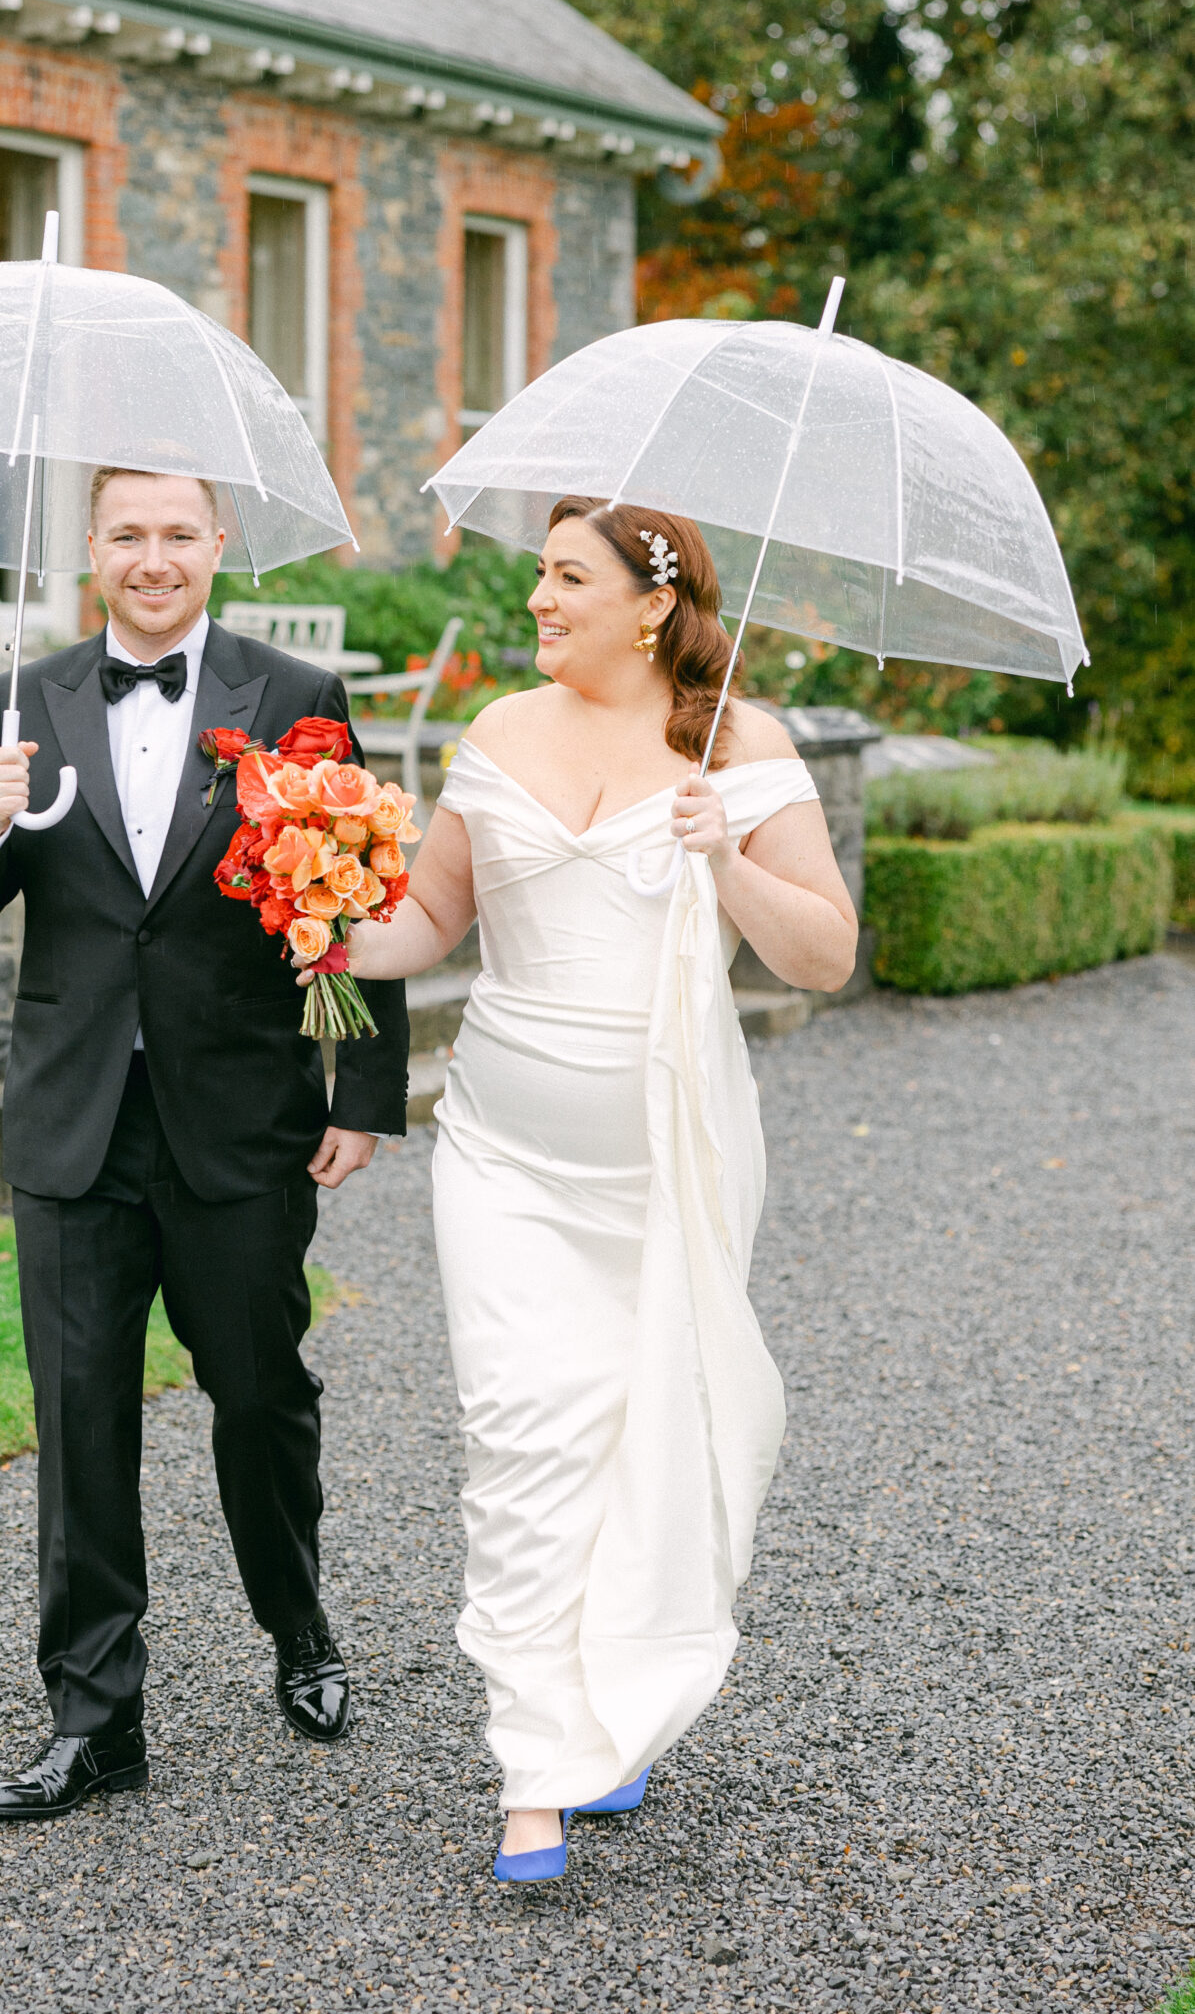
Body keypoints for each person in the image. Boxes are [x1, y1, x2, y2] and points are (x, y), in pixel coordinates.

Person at [342, 498, 856, 1884]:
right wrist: (318, 923)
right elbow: (430, 919)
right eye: (540, 575)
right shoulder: (501, 729)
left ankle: (614, 1707)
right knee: (519, 1436)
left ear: (652, 604)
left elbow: (824, 955)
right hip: (502, 1155)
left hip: (664, 1162)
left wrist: (727, 857)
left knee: (648, 1439)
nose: (539, 600)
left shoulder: (741, 747)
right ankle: (538, 1771)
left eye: (568, 577)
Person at [0, 468, 409, 1822]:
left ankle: (298, 1628)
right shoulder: (23, 700)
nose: (153, 557)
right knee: (79, 1422)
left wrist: (361, 1092)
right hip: (73, 1121)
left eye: (178, 533)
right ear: (91, 547)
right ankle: (94, 1719)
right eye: (127, 534)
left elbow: (354, 891)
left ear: (217, 543)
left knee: (260, 1396)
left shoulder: (293, 696)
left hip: (239, 1117)